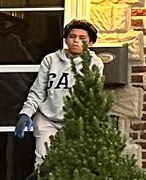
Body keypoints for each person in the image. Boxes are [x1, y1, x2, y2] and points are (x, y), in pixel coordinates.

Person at [17, 19, 103, 166]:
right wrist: (26, 113)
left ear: (90, 43)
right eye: (72, 36)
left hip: (75, 122)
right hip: (47, 119)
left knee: (71, 166)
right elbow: (38, 91)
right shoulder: (50, 60)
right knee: (43, 164)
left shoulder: (94, 63)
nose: (76, 41)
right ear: (65, 39)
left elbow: (92, 96)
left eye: (82, 38)